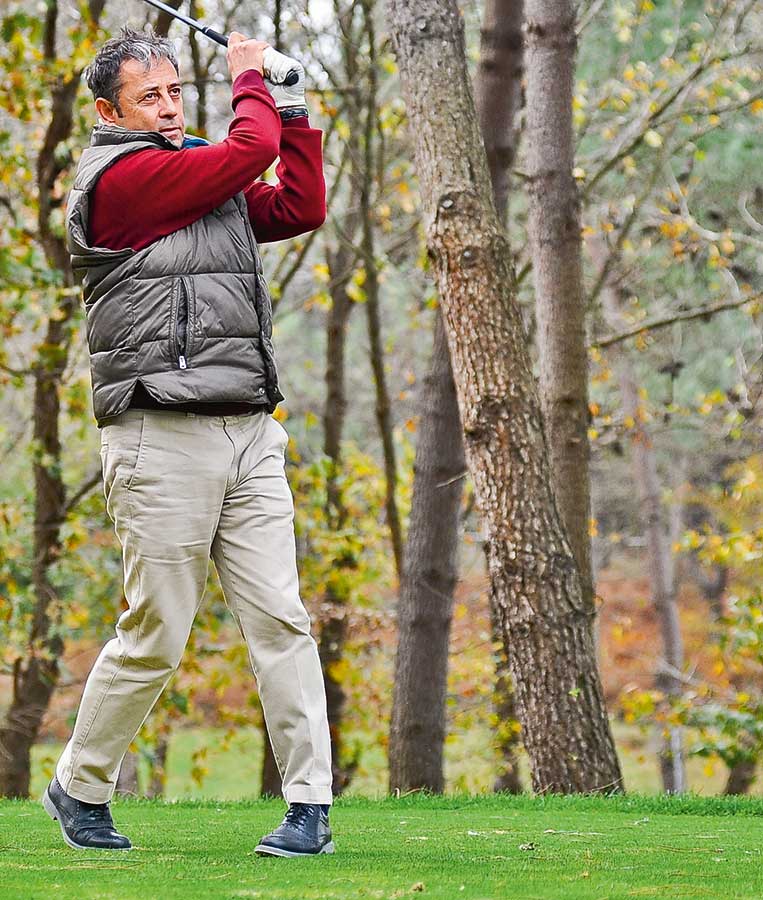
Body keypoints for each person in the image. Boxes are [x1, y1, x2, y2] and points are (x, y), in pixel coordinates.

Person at [41, 25, 334, 858]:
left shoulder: (201, 166)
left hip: (248, 429)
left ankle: (308, 806)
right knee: (157, 634)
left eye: (175, 92)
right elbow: (246, 157)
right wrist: (250, 79)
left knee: (282, 619)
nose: (169, 108)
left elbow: (299, 204)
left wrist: (295, 105)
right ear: (109, 111)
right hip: (158, 436)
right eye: (149, 97)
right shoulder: (122, 180)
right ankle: (79, 784)